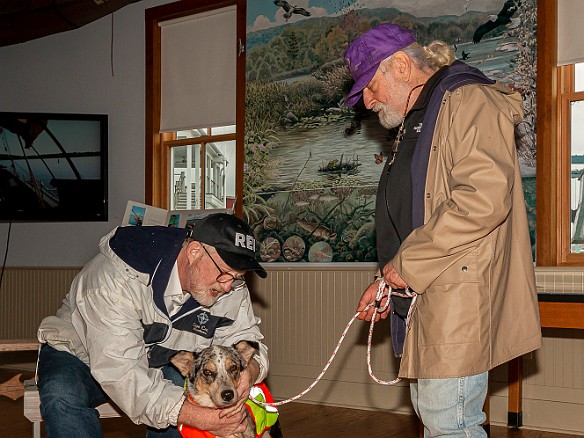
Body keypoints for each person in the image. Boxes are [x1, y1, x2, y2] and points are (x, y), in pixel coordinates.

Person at [344, 24, 542, 437]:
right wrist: (387, 280)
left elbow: (481, 199)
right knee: (436, 417)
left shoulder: (469, 99)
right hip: (426, 291)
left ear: (400, 65)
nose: (366, 100)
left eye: (370, 84)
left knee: (449, 422)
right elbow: (418, 213)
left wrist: (407, 265)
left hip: (457, 295)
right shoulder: (421, 117)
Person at [36, 213, 269, 438]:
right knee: (61, 394)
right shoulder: (113, 279)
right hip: (80, 356)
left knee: (184, 385)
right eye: (224, 273)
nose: (229, 286)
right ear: (195, 251)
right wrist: (199, 417)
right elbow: (121, 372)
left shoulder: (229, 285)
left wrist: (250, 370)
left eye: (238, 276)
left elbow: (247, 341)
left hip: (159, 362)